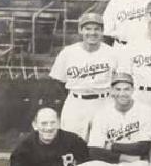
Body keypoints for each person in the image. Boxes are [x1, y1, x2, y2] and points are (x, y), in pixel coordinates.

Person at [49, 12, 118, 141]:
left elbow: (119, 81)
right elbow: (58, 80)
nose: (92, 33)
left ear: (102, 31)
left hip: (103, 101)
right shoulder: (68, 52)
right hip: (76, 103)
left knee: (102, 143)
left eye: (97, 29)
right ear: (80, 30)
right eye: (88, 29)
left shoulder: (112, 53)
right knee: (72, 143)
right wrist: (74, 94)